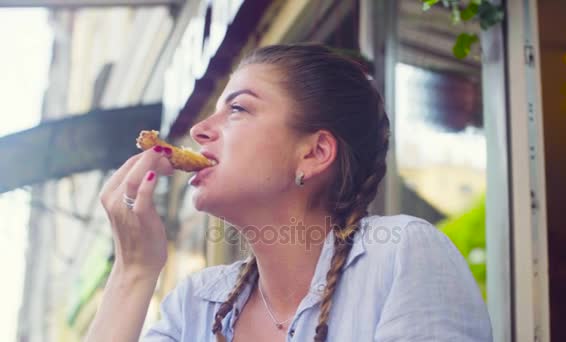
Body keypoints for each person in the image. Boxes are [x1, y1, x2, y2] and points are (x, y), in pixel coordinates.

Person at [85, 44, 492, 342]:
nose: (199, 130)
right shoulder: (195, 304)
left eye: (239, 109)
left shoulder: (401, 256)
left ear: (314, 153)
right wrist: (132, 272)